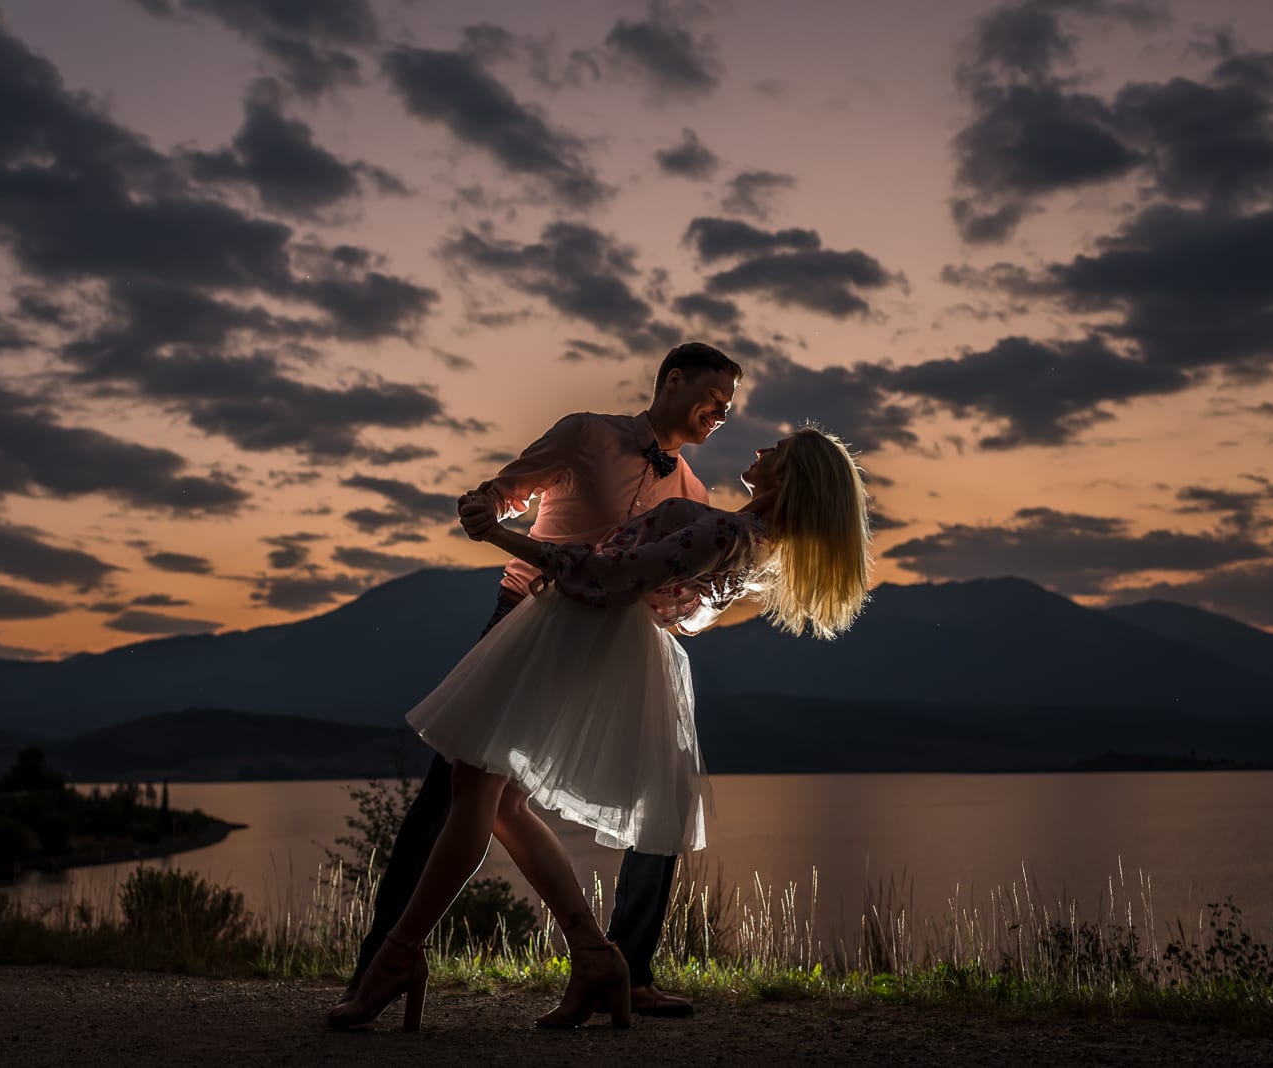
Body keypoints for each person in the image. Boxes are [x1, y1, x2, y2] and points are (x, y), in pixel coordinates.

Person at [328, 423, 873, 1031]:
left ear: (791, 476)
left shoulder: (730, 529)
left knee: (476, 788)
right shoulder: (752, 537)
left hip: (573, 636)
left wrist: (505, 539)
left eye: (779, 451)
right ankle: (591, 955)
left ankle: (399, 957)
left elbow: (610, 579)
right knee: (498, 801)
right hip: (583, 638)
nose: (761, 449)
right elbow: (682, 611)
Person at [338, 342, 742, 1020]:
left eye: (729, 410)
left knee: (622, 799)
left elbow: (673, 588)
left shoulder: (693, 494)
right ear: (673, 380)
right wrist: (484, 508)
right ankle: (383, 963)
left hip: (599, 655)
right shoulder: (587, 433)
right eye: (714, 397)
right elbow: (507, 490)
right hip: (520, 623)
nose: (721, 413)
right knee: (455, 796)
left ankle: (618, 964)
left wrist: (687, 607)